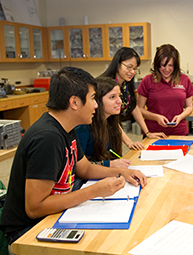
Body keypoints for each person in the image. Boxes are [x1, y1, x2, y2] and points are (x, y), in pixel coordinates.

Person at [0, 67, 147, 253]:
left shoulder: (67, 128)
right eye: (93, 98)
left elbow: (84, 168)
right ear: (74, 102)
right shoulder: (47, 138)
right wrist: (94, 191)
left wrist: (123, 172)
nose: (96, 105)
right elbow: (34, 208)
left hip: (54, 213)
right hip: (27, 230)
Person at [100, 47, 166, 148]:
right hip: (101, 133)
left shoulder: (126, 84)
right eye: (129, 67)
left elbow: (134, 107)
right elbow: (111, 120)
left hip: (115, 133)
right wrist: (129, 142)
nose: (132, 71)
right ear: (118, 64)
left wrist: (147, 132)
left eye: (135, 68)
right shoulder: (106, 85)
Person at [73, 77, 132, 190]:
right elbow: (78, 167)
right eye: (112, 97)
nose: (119, 101)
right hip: (85, 184)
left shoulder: (110, 122)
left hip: (102, 178)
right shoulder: (83, 127)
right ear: (97, 101)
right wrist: (109, 165)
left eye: (119, 96)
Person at [137, 44, 193, 136]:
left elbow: (189, 107)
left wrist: (180, 117)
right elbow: (139, 109)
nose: (167, 69)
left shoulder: (185, 80)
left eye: (170, 65)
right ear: (157, 64)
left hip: (179, 133)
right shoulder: (147, 80)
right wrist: (156, 117)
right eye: (163, 65)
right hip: (153, 133)